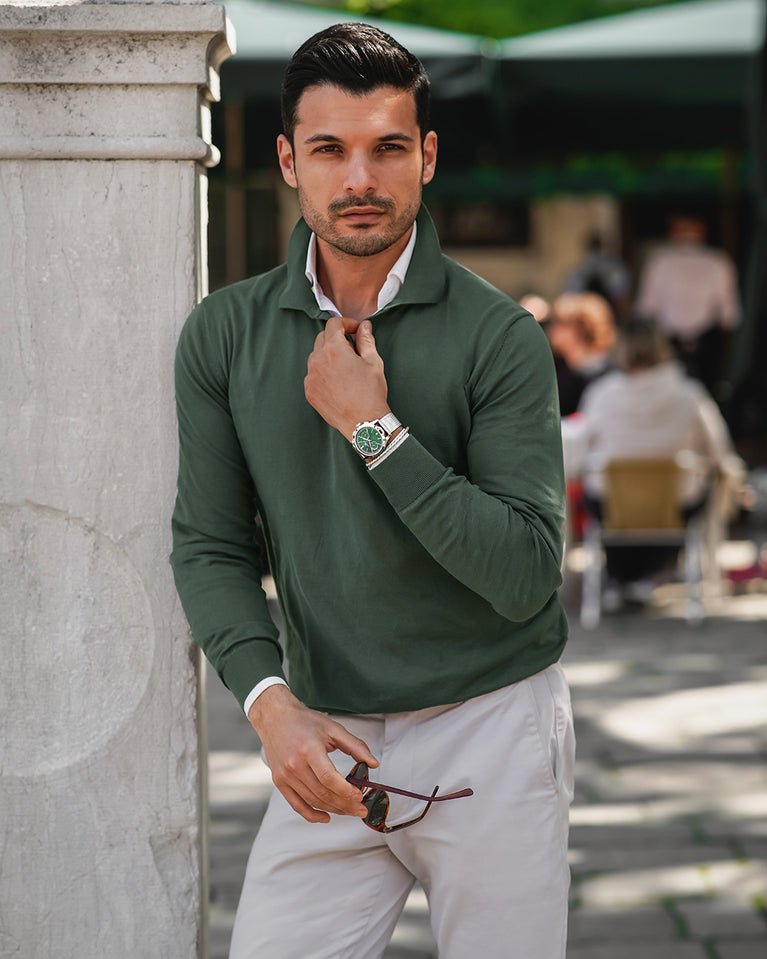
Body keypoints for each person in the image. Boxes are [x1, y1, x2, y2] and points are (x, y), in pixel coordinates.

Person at [171, 23, 573, 959]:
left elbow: (524, 573)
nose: (360, 178)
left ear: (426, 156)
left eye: (388, 147)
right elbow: (211, 544)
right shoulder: (223, 336)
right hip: (328, 731)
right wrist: (267, 700)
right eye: (330, 150)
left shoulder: (499, 336)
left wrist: (374, 430)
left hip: (492, 725)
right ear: (287, 161)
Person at [577, 318, 744, 593]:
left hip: (614, 507)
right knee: (695, 496)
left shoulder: (601, 394)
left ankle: (622, 579)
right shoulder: (690, 395)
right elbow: (720, 452)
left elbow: (581, 449)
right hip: (674, 506)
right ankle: (653, 574)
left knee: (595, 495)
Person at [635, 213, 739, 395]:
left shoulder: (660, 261)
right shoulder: (719, 261)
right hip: (704, 345)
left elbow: (646, 311)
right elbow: (728, 317)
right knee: (706, 398)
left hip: (671, 343)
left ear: (674, 232)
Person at [549, 291, 616, 415]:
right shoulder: (557, 367)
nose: (553, 328)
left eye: (561, 322)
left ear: (582, 328)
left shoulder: (605, 374)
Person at [562, 232, 632, 321]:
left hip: (586, 321)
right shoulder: (616, 269)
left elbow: (567, 303)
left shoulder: (576, 272)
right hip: (605, 321)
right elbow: (623, 302)